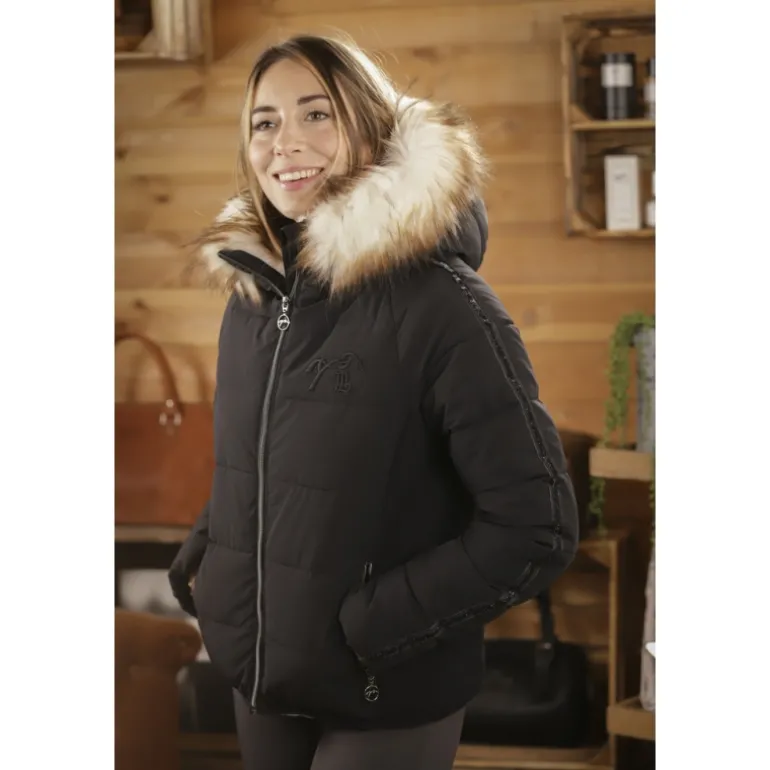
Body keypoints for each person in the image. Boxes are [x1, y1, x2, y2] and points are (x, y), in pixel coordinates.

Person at [168, 33, 579, 770]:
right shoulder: (253, 300)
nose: (285, 143)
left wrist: (371, 626)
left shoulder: (446, 306)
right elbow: (266, 466)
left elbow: (536, 526)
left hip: (386, 686)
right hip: (261, 679)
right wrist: (209, 559)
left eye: (316, 114)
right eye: (264, 122)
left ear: (368, 127)